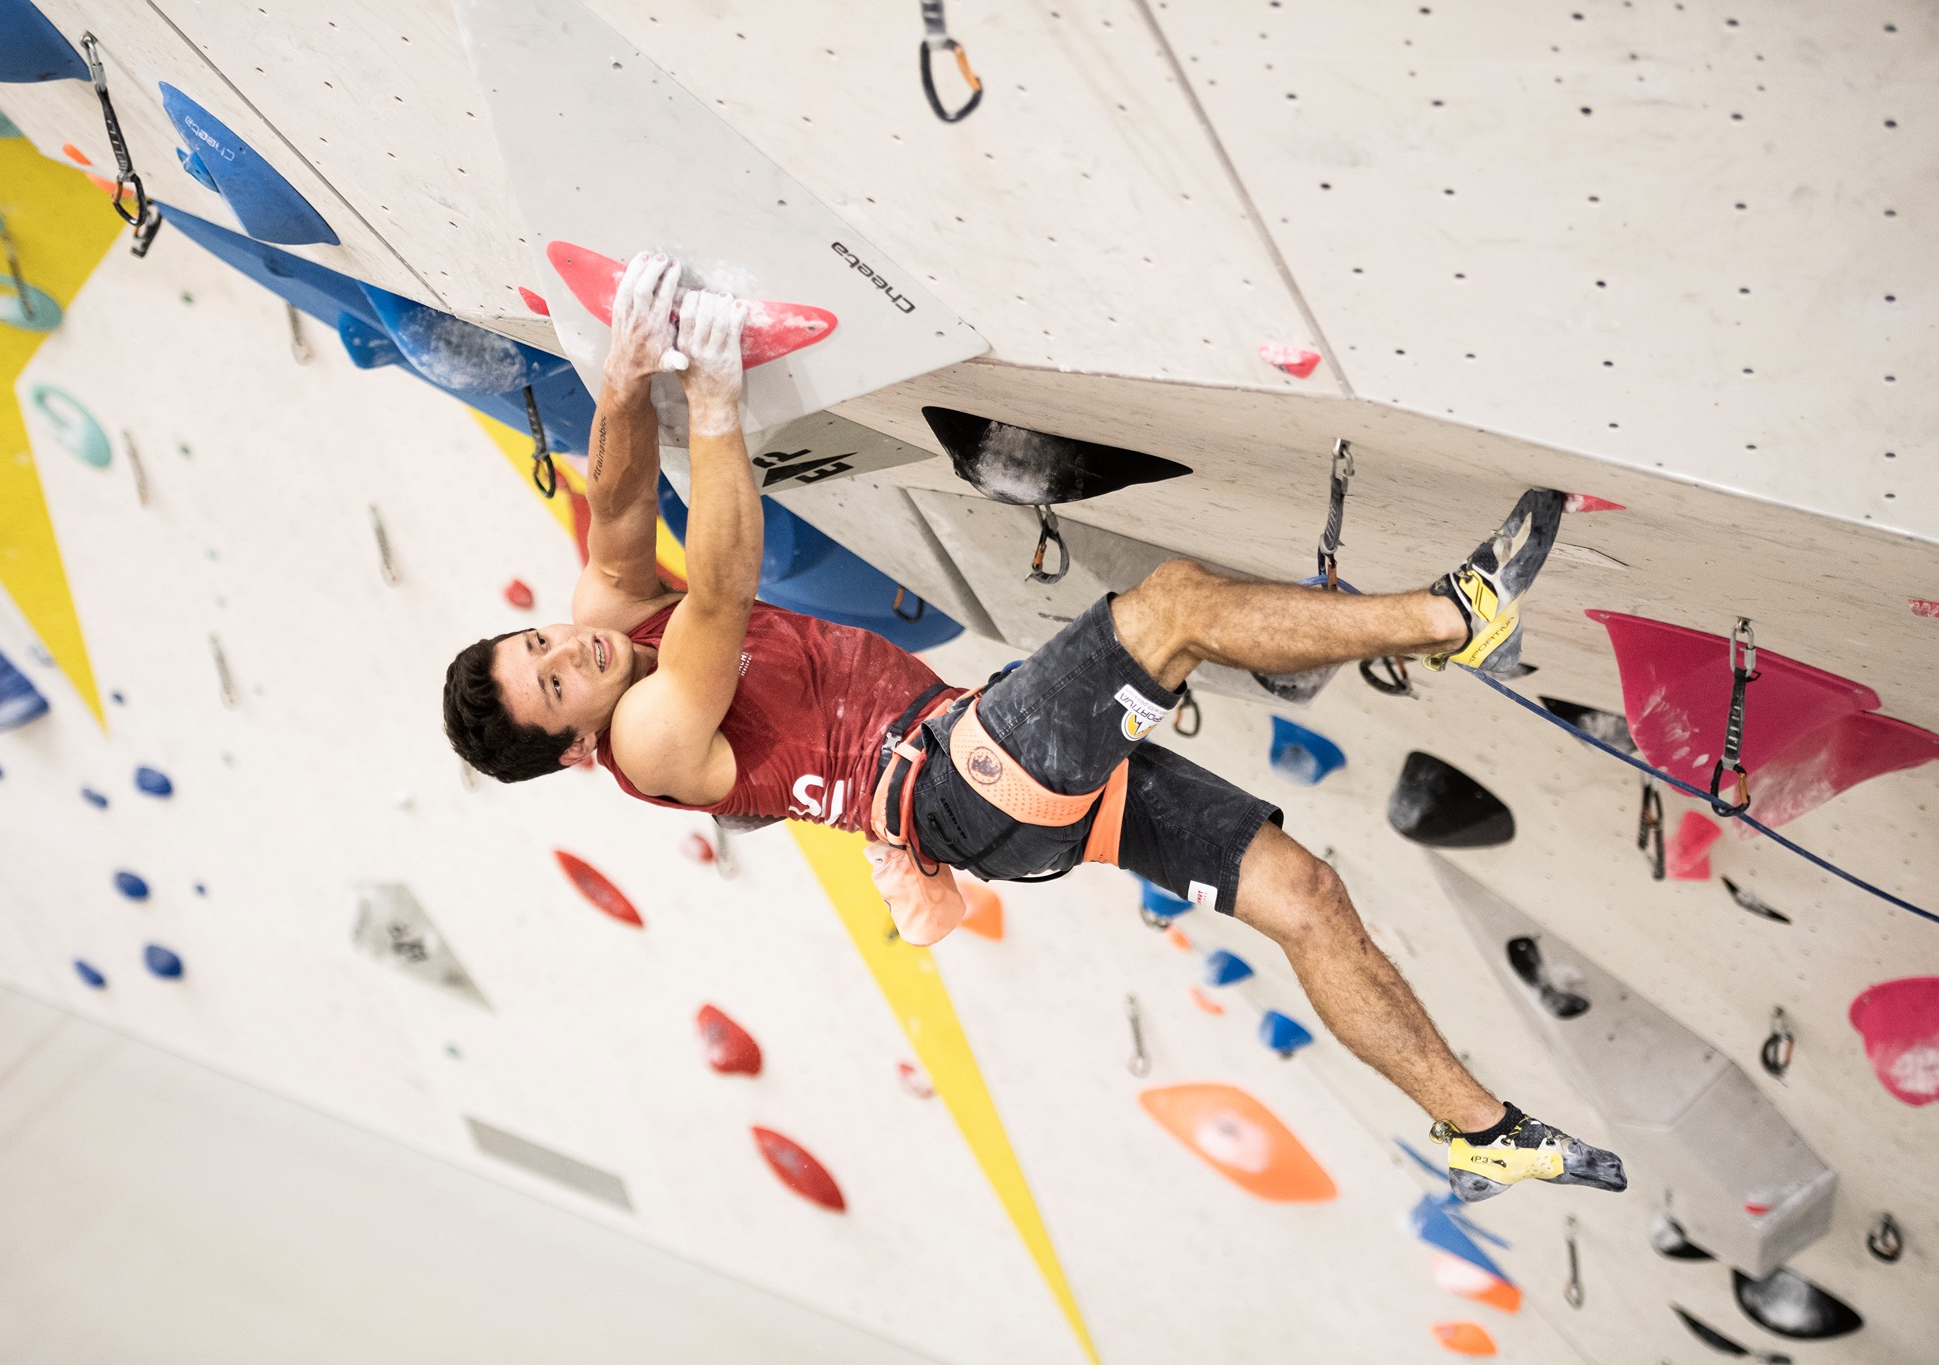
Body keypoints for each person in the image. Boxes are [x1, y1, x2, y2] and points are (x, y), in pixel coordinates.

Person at [443, 252, 1627, 1205]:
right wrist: (711, 398)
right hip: (960, 781)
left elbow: (611, 525)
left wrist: (618, 378)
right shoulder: (648, 739)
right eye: (551, 685)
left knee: (1299, 895)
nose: (565, 651)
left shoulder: (599, 637)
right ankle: (1452, 618)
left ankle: (1480, 1131)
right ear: (574, 748)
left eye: (536, 643)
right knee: (1167, 609)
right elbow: (718, 591)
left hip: (981, 779)